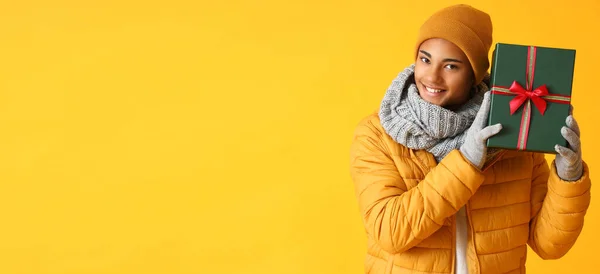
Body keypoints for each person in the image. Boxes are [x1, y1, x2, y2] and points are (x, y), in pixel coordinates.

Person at [349, 4, 591, 274]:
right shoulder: (377, 134)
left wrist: (568, 178)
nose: (431, 76)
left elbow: (549, 245)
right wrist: (466, 160)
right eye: (425, 59)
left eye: (451, 66)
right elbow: (389, 233)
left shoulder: (512, 135)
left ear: (474, 75)